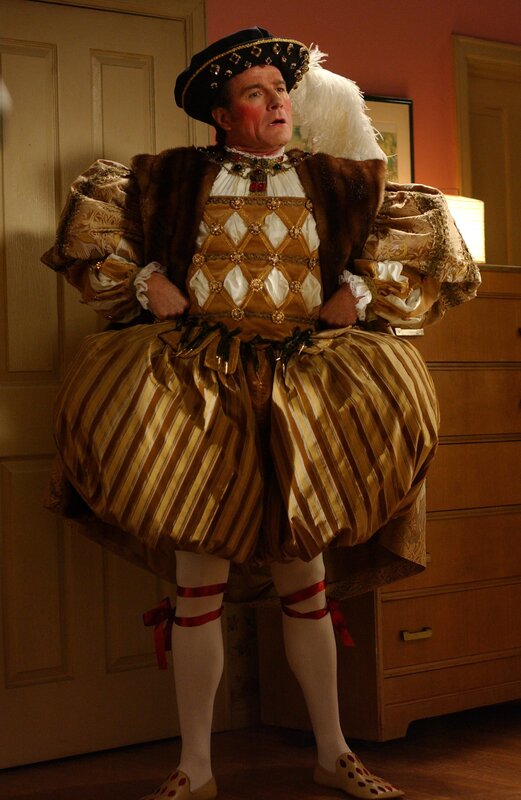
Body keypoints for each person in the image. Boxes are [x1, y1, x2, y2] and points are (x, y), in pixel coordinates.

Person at [42, 27, 480, 800]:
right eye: (255, 93)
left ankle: (332, 751)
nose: (277, 103)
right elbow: (96, 242)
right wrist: (147, 282)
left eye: (281, 91)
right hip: (195, 388)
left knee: (302, 574)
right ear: (221, 115)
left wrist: (359, 290)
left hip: (304, 388)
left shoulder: (341, 180)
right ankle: (196, 765)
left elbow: (414, 244)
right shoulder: (163, 178)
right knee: (197, 578)